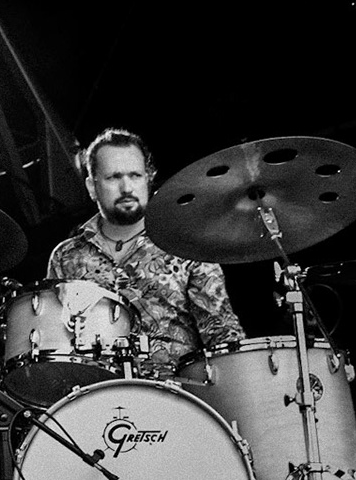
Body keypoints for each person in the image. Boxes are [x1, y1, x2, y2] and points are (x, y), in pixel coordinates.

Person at [46, 127, 243, 380]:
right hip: (96, 393)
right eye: (113, 177)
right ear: (92, 187)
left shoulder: (185, 242)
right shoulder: (67, 256)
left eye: (135, 175)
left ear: (148, 179)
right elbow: (54, 347)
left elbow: (222, 332)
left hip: (176, 392)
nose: (127, 187)